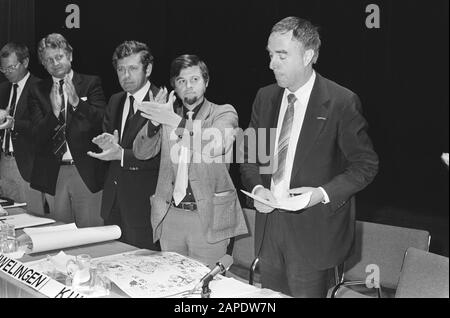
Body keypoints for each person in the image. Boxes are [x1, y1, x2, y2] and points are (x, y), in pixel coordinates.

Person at [240, 17, 379, 297]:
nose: (271, 64)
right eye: (270, 54)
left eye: (281, 55)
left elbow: (365, 165)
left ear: (308, 56)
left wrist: (320, 193)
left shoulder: (341, 101)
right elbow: (251, 156)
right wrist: (257, 189)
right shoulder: (265, 98)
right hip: (269, 229)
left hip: (313, 233)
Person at [132, 54, 247, 266]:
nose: (188, 86)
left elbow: (216, 143)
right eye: (181, 81)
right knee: (173, 281)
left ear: (206, 82)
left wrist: (173, 121)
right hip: (170, 216)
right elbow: (141, 152)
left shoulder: (223, 112)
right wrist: (155, 121)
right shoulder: (168, 115)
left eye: (195, 79)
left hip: (209, 216)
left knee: (207, 285)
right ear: (174, 85)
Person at [87, 41, 161, 250]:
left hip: (143, 206)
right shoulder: (115, 100)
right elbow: (114, 145)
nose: (125, 75)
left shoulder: (163, 103)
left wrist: (121, 155)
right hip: (113, 203)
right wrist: (108, 146)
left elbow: (162, 158)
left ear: (148, 69)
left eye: (132, 68)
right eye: (121, 69)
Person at [29, 33, 107, 227]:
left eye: (59, 57)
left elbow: (102, 121)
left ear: (70, 56)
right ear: (43, 64)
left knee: (92, 237)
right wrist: (54, 114)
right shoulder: (37, 90)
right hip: (54, 174)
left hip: (86, 172)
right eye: (49, 60)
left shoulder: (90, 83)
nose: (55, 63)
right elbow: (37, 135)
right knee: (58, 236)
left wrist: (77, 103)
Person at [0, 42, 46, 214]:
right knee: (8, 218)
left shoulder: (41, 88)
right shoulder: (2, 89)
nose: (7, 73)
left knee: (31, 218)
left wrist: (14, 124)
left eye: (11, 67)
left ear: (25, 62)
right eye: (3, 69)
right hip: (4, 162)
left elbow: (42, 127)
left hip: (28, 165)